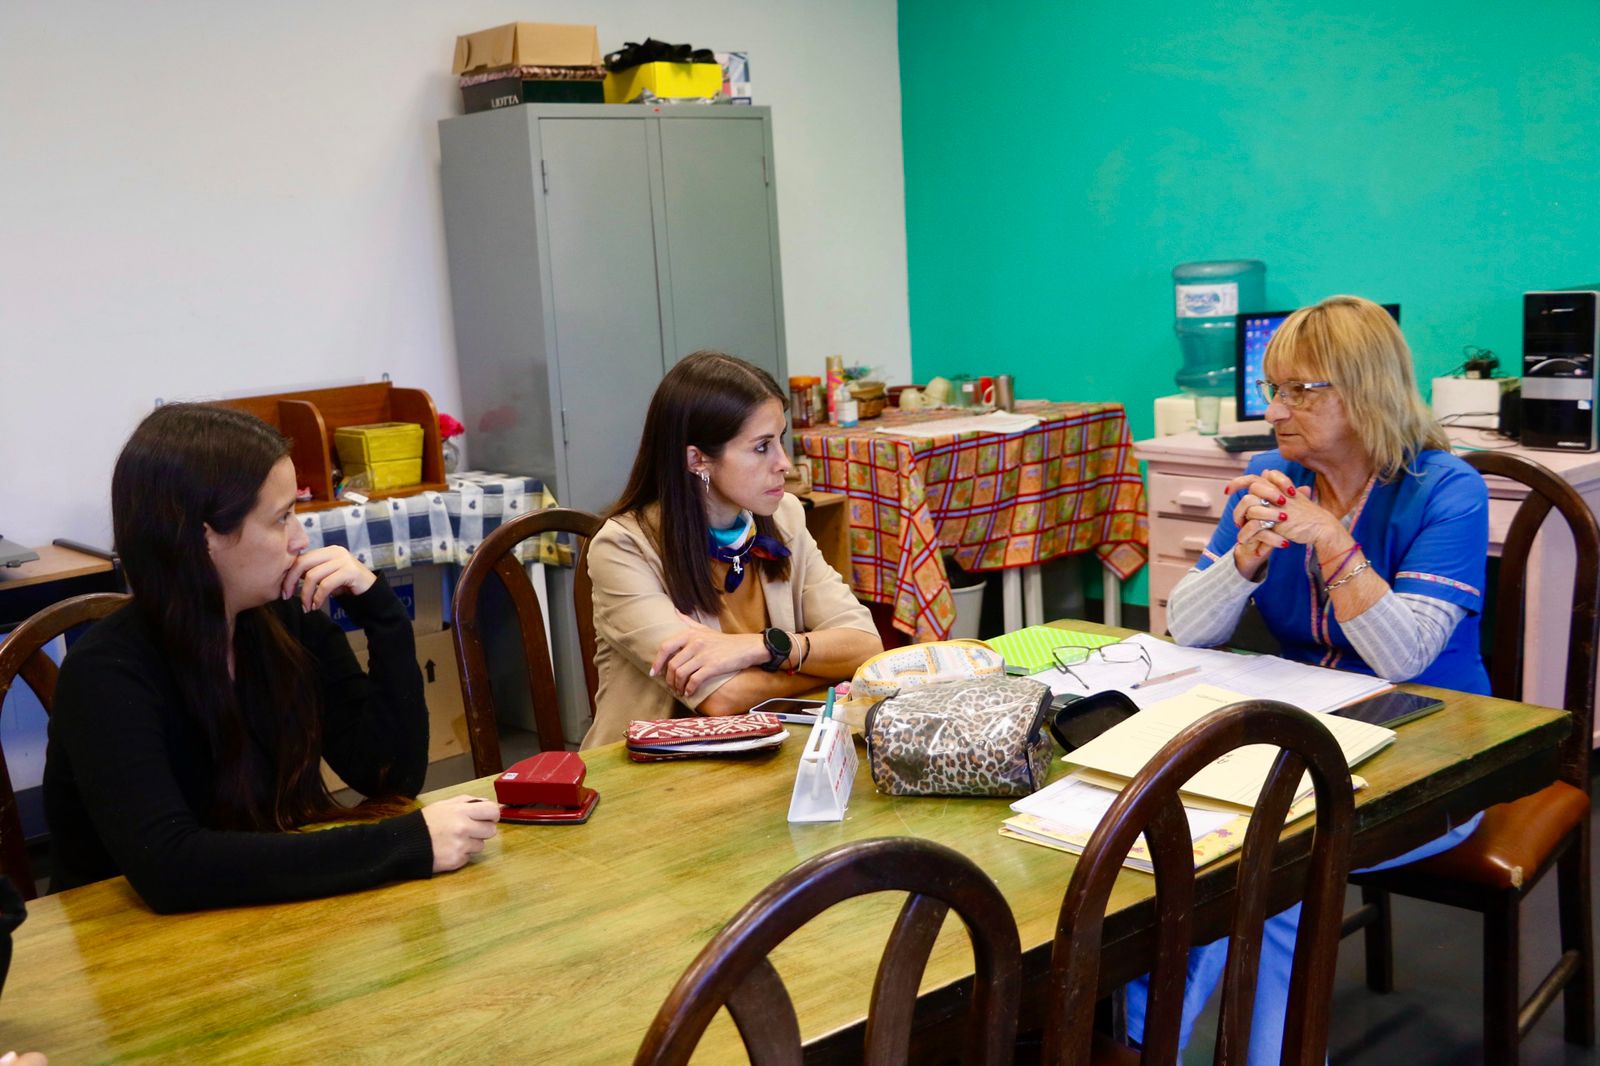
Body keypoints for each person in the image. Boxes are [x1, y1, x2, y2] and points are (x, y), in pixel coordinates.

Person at [1131, 296, 1490, 1061]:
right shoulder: (1278, 478)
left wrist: (1333, 543)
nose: (1274, 410)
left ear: (1365, 392)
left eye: (1299, 390)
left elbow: (1404, 657)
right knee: (1178, 840)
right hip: (1310, 736)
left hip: (1438, 751)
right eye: (1273, 389)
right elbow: (1187, 627)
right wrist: (1243, 560)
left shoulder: (1446, 489)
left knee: (1275, 865)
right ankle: (1133, 1040)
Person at [44, 405, 499, 914]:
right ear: (204, 537)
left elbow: (389, 776)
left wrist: (382, 613)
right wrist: (405, 843)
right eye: (281, 518)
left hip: (256, 914)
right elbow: (170, 868)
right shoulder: (106, 673)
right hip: (121, 941)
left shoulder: (285, 623)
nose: (301, 539)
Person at [581, 351, 883, 748]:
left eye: (780, 440)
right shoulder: (622, 547)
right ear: (698, 459)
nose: (784, 464)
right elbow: (721, 697)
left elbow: (865, 645)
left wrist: (759, 647)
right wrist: (817, 664)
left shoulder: (787, 516)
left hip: (767, 747)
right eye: (761, 447)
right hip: (652, 766)